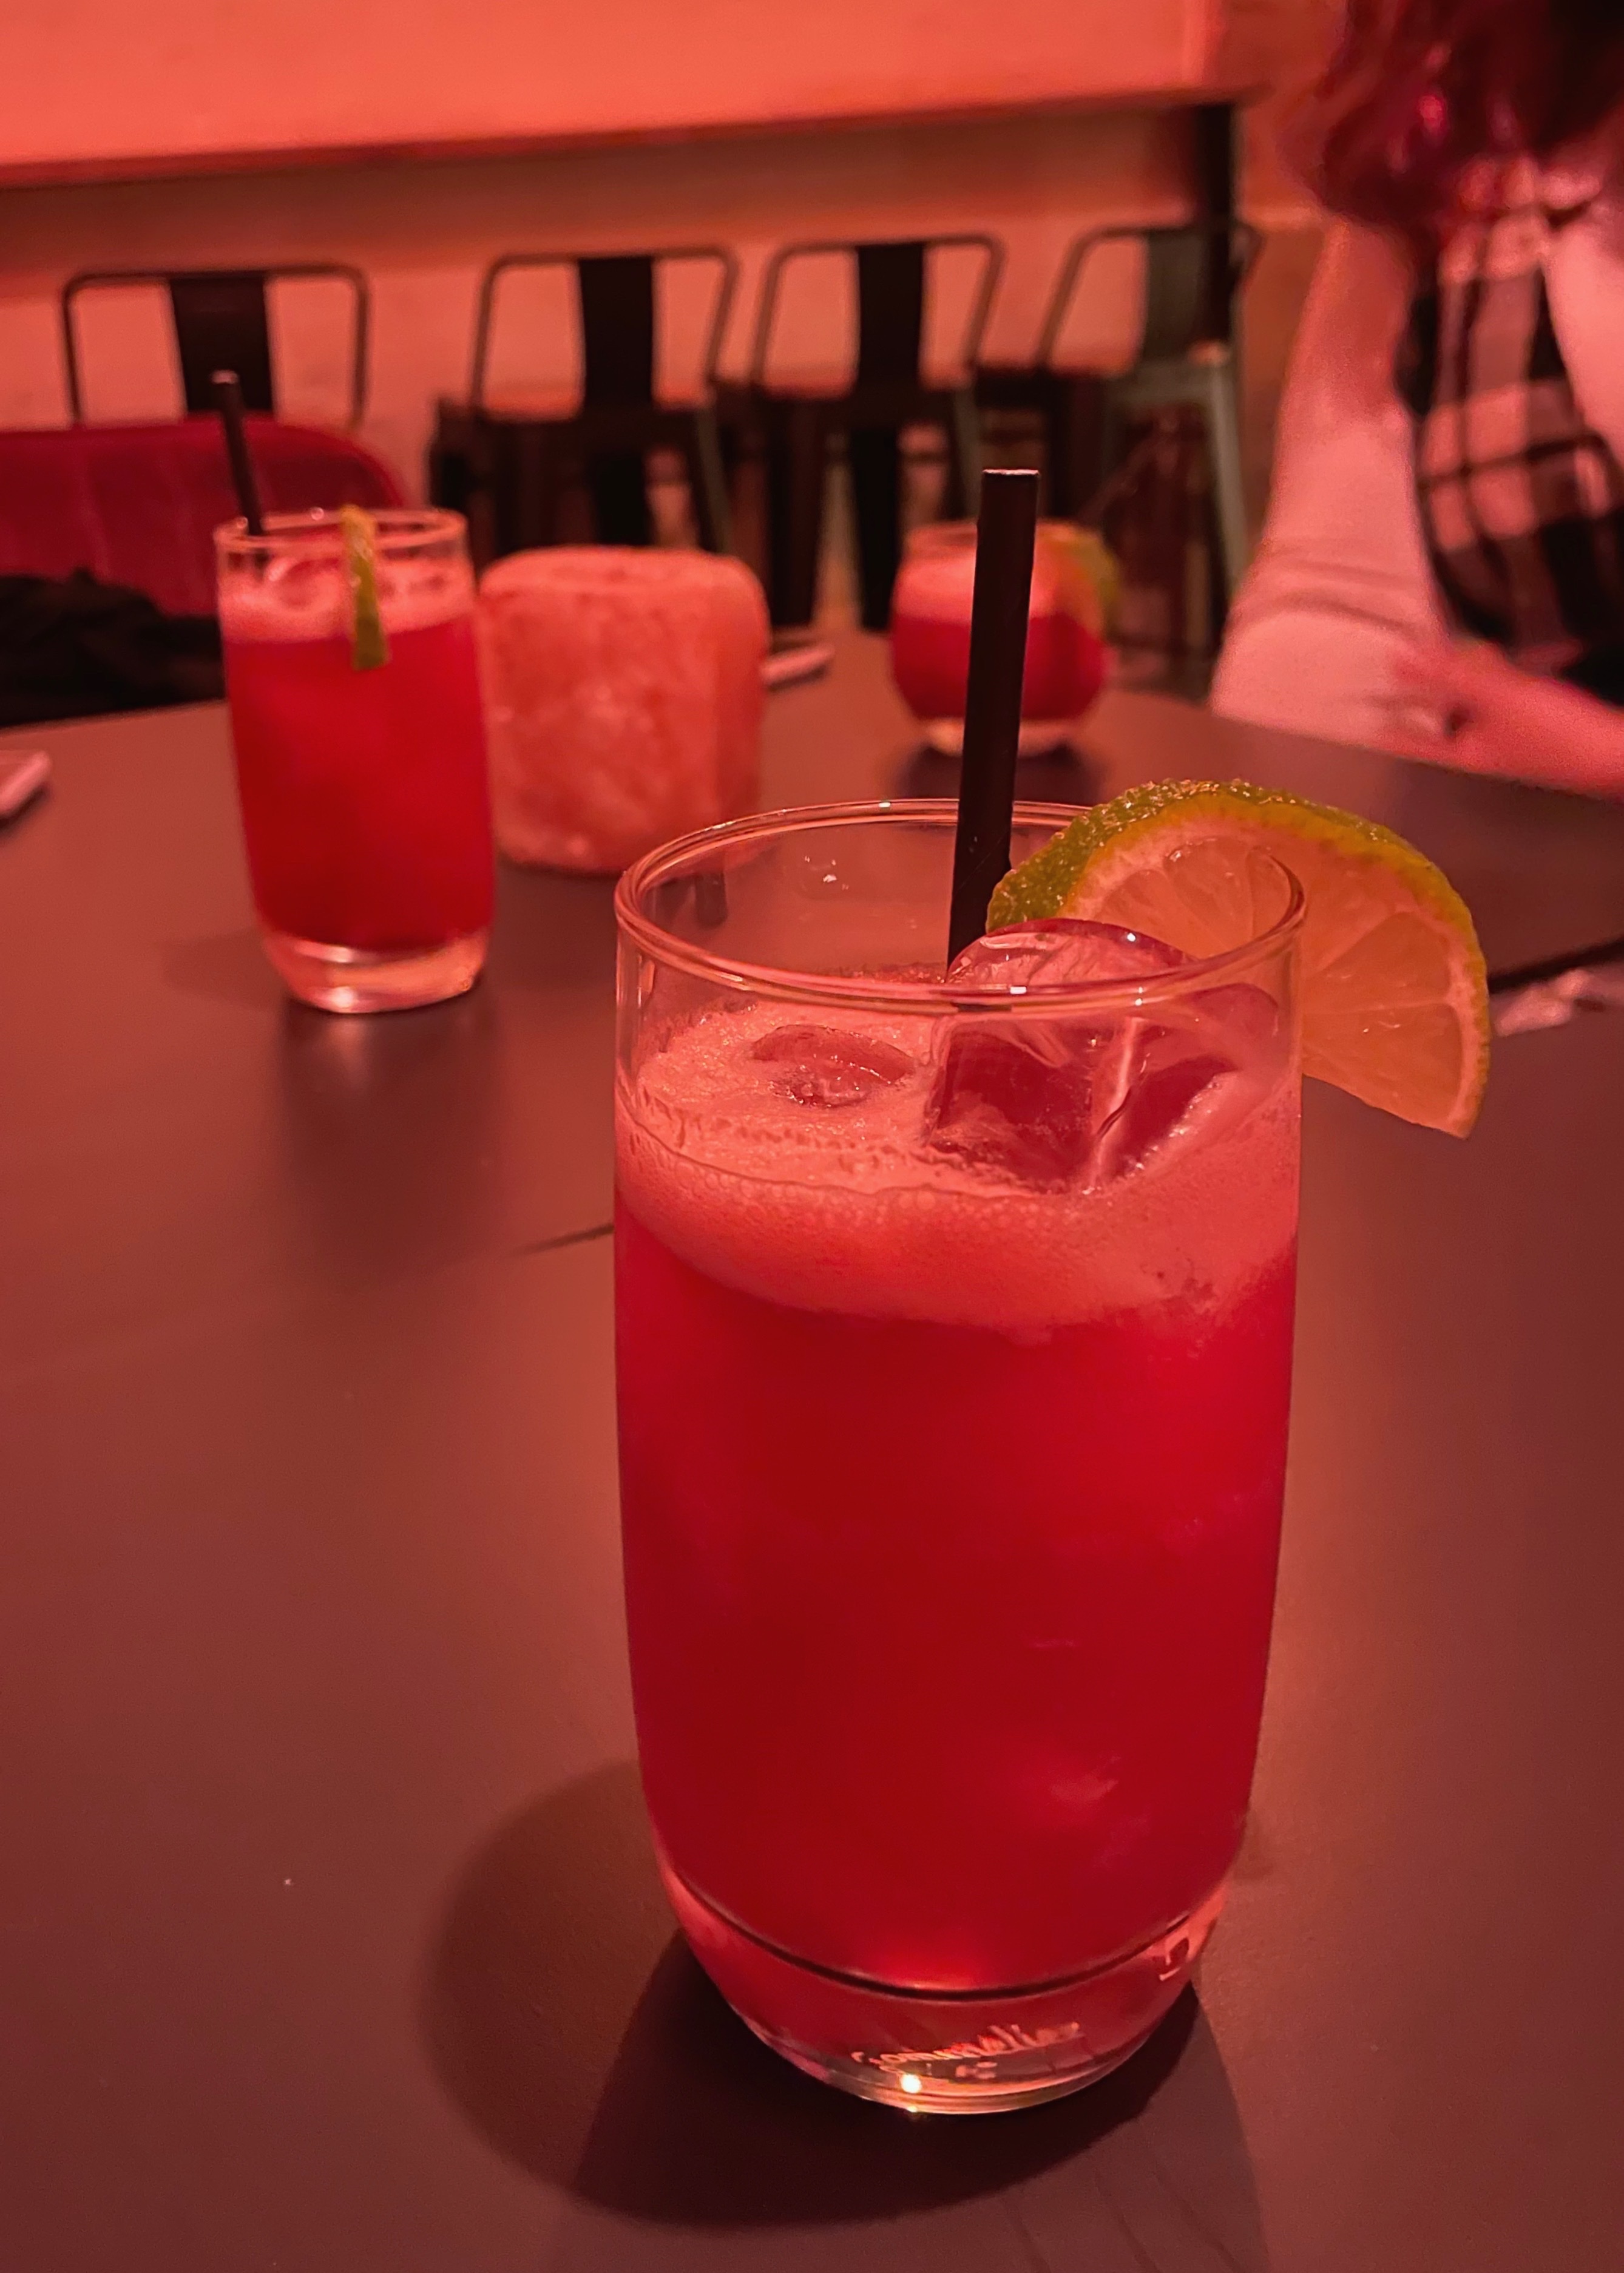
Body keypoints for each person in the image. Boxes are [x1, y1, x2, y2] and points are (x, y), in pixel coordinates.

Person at [1213, 0, 1624, 796]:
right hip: (1550, 861)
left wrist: (1607, 764)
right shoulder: (1463, 152)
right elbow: (1340, 612)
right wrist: (1244, 844)